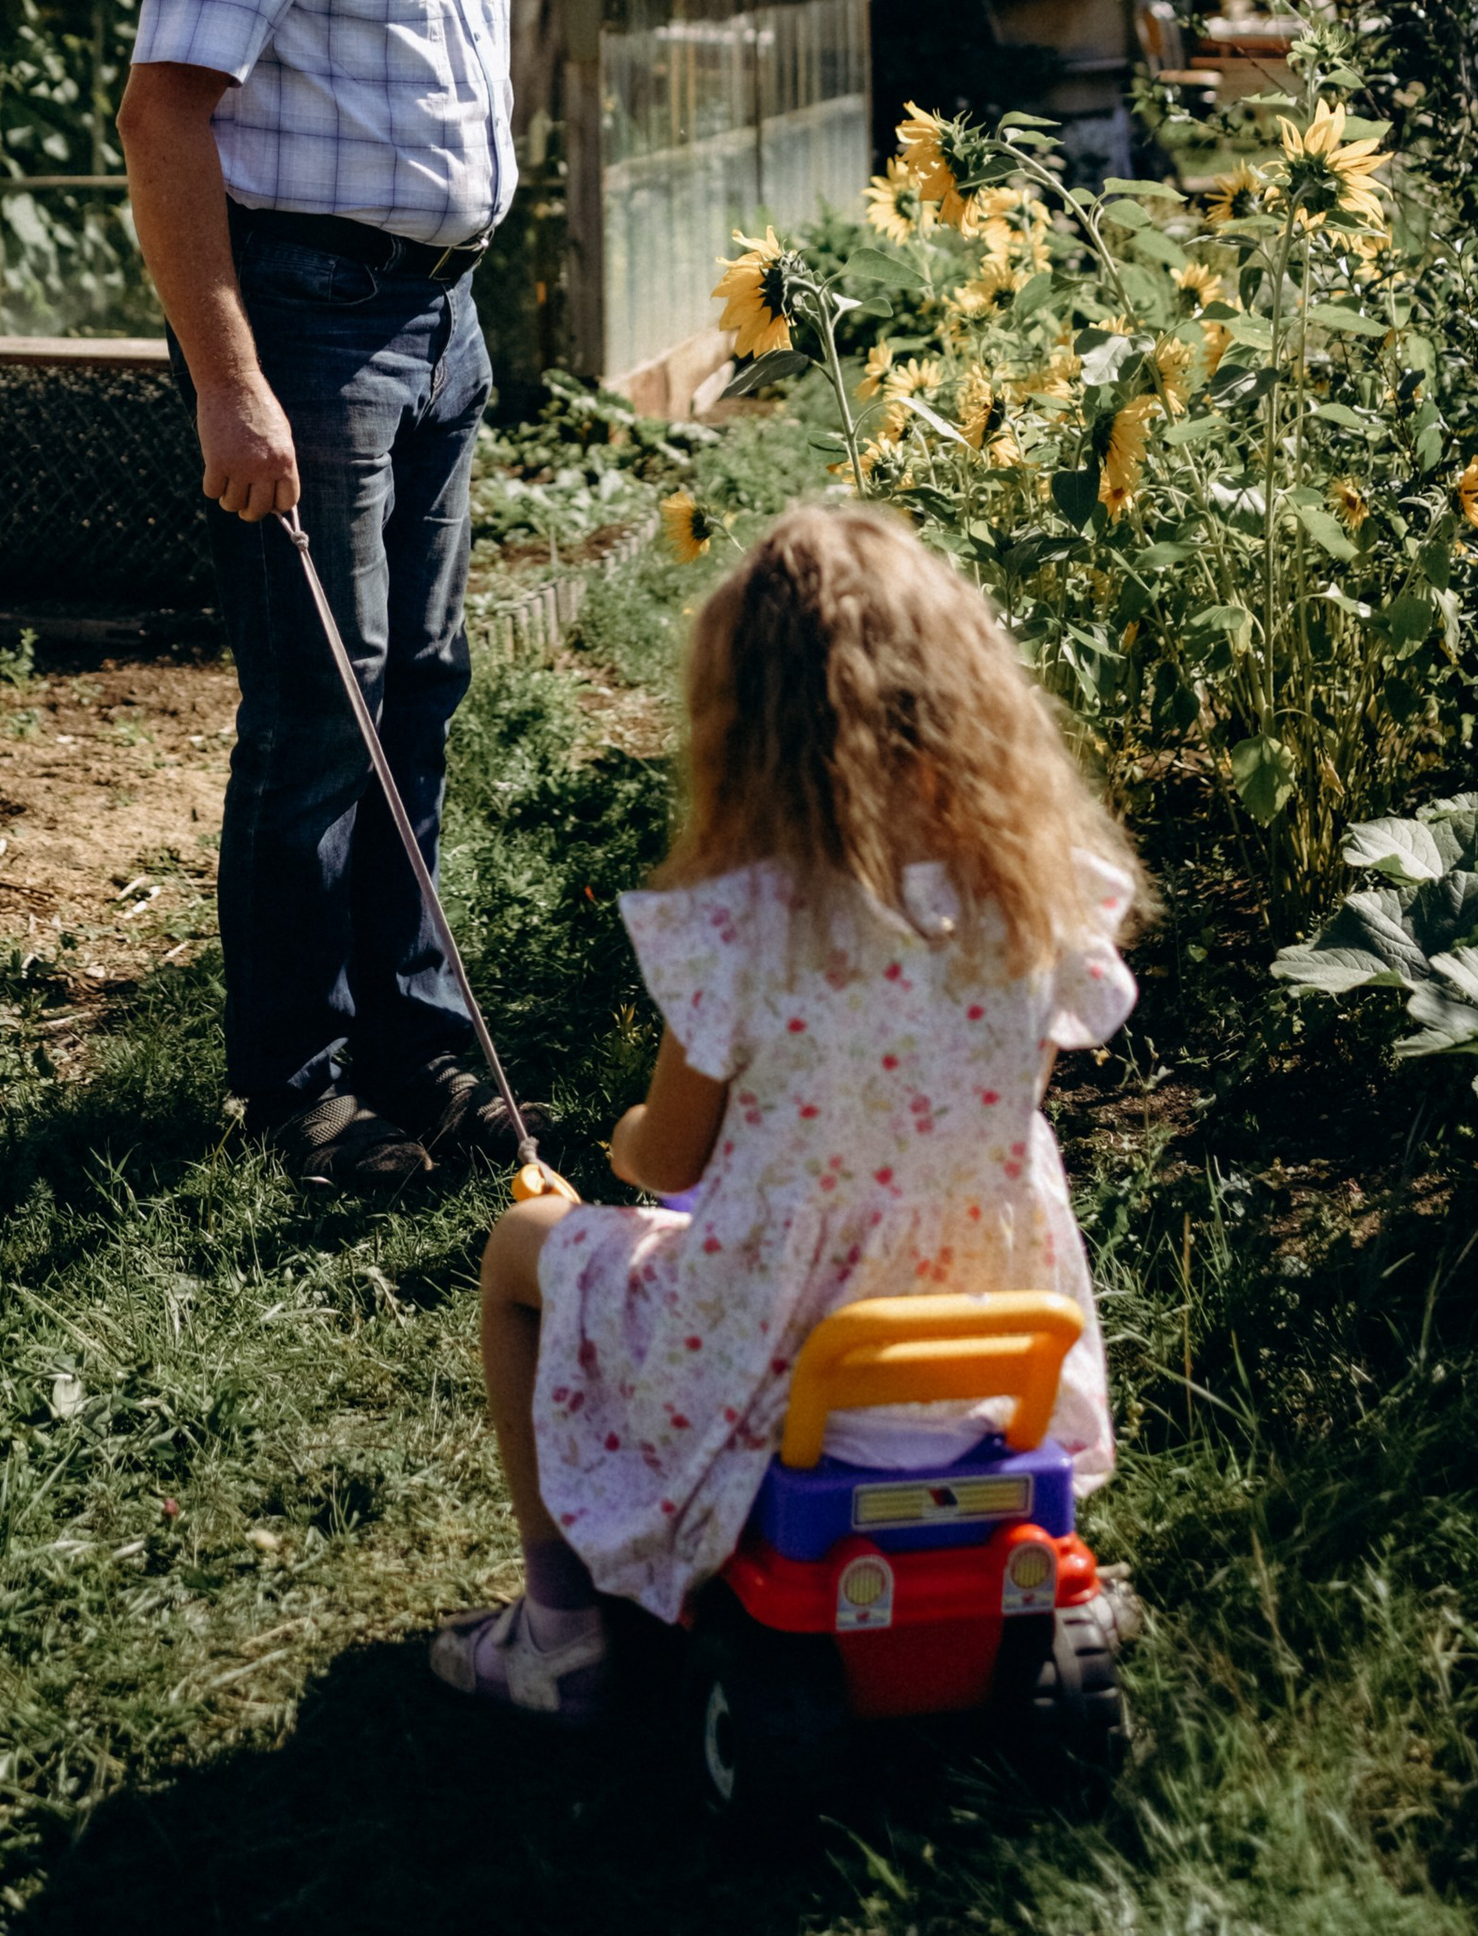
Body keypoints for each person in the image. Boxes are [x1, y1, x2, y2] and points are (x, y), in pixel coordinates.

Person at [430, 500, 1140, 1722]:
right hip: (982, 1343)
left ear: (746, 729)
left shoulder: (743, 930)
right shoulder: (1030, 905)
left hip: (775, 1353)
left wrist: (611, 1155)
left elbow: (671, 1157)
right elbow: (971, 1109)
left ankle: (560, 1628)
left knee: (521, 1252)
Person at [118, 0, 596, 1197]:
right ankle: (297, 1085)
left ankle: (420, 1042)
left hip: (440, 317)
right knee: (324, 709)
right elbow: (168, 114)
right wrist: (229, 381)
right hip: (313, 326)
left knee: (424, 688)